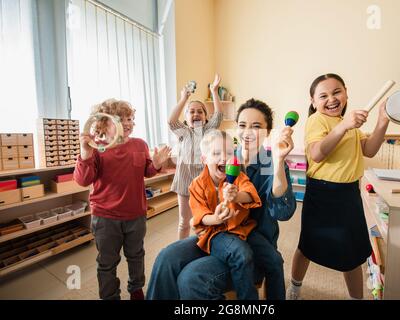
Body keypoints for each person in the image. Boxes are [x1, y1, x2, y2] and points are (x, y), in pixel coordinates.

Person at [146, 98, 297, 300]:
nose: (248, 131)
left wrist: (278, 161)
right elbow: (200, 177)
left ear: (268, 132)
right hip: (216, 234)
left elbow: (283, 212)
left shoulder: (273, 162)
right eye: (242, 125)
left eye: (257, 126)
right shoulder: (224, 154)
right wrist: (159, 166)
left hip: (251, 245)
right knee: (167, 257)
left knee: (191, 278)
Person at [286, 73, 389, 300]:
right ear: (313, 102)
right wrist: (344, 125)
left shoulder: (351, 124)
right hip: (322, 194)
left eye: (336, 92)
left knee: (351, 253)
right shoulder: (318, 121)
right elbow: (317, 153)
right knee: (308, 245)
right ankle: (294, 288)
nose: (331, 99)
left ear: (346, 93)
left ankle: (356, 298)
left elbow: (369, 149)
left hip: (349, 194)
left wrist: (382, 122)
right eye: (323, 95)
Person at [74, 99, 170, 300]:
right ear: (103, 123)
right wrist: (85, 153)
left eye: (131, 118)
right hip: (105, 218)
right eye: (121, 118)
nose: (128, 123)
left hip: (135, 214)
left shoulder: (140, 144)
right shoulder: (96, 148)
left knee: (136, 255)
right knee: (107, 262)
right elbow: (83, 180)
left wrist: (158, 164)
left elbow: (148, 171)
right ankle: (110, 296)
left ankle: (136, 289)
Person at [190, 130, 262, 299]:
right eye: (216, 153)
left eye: (229, 152)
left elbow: (250, 194)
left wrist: (236, 196)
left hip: (239, 231)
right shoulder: (196, 184)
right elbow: (200, 215)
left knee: (248, 253)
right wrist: (215, 218)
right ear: (204, 159)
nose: (224, 157)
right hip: (215, 234)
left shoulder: (238, 177)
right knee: (241, 253)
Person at [169, 74, 223, 239]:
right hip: (184, 182)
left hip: (204, 183)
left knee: (205, 219)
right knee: (184, 221)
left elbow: (219, 115)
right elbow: (171, 121)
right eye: (191, 112)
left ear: (206, 118)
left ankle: (205, 244)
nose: (196, 114)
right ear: (186, 118)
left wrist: (214, 91)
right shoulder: (183, 132)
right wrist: (183, 99)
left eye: (200, 111)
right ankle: (181, 248)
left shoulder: (208, 130)